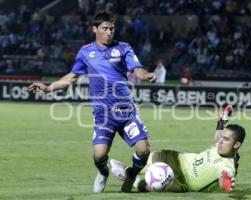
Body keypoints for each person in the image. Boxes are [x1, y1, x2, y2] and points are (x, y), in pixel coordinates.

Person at [28, 10, 157, 193]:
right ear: (94, 29)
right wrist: (48, 88)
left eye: (112, 28)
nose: (109, 32)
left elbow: (136, 69)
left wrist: (146, 75)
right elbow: (71, 78)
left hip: (126, 109)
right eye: (105, 28)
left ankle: (132, 175)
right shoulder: (86, 52)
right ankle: (103, 172)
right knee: (100, 154)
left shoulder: (123, 48)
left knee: (144, 149)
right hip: (103, 113)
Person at [110, 105, 246, 192]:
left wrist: (227, 185)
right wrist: (221, 123)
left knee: (155, 186)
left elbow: (225, 180)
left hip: (184, 183)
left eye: (226, 139)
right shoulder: (221, 144)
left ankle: (131, 177)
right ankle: (132, 170)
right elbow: (218, 137)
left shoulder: (228, 166)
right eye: (222, 137)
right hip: (180, 160)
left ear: (236, 145)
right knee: (147, 160)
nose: (221, 141)